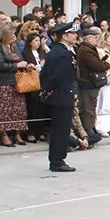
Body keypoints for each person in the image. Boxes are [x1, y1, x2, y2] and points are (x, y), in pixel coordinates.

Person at [41, 23, 80, 172]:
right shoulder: (62, 53)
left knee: (61, 128)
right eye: (72, 33)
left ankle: (57, 158)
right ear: (64, 36)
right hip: (61, 95)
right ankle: (57, 160)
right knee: (61, 129)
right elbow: (56, 76)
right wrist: (49, 90)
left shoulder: (64, 51)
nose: (75, 35)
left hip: (63, 94)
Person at [0, 24, 31, 147]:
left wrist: (26, 65)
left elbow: (20, 60)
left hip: (17, 82)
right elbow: (0, 65)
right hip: (3, 83)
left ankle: (17, 132)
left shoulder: (15, 47)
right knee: (3, 111)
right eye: (11, 34)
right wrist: (17, 65)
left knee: (18, 109)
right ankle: (3, 134)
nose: (14, 36)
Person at [76, 27, 110, 141]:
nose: (97, 40)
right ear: (89, 38)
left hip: (89, 83)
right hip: (88, 83)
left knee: (90, 106)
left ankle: (90, 129)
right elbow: (96, 65)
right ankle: (88, 130)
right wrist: (108, 64)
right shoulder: (86, 50)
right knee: (88, 108)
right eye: (95, 38)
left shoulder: (89, 48)